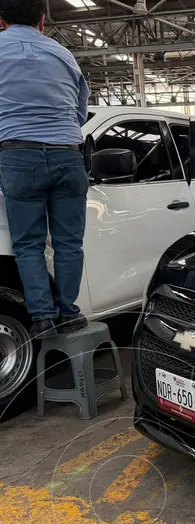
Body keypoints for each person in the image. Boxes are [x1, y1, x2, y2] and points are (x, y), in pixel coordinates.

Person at [0, 0, 90, 336]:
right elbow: (79, 113)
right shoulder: (63, 54)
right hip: (68, 154)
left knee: (28, 245)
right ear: (42, 21)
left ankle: (42, 317)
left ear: (1, 21)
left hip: (18, 157)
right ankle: (68, 313)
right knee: (69, 243)